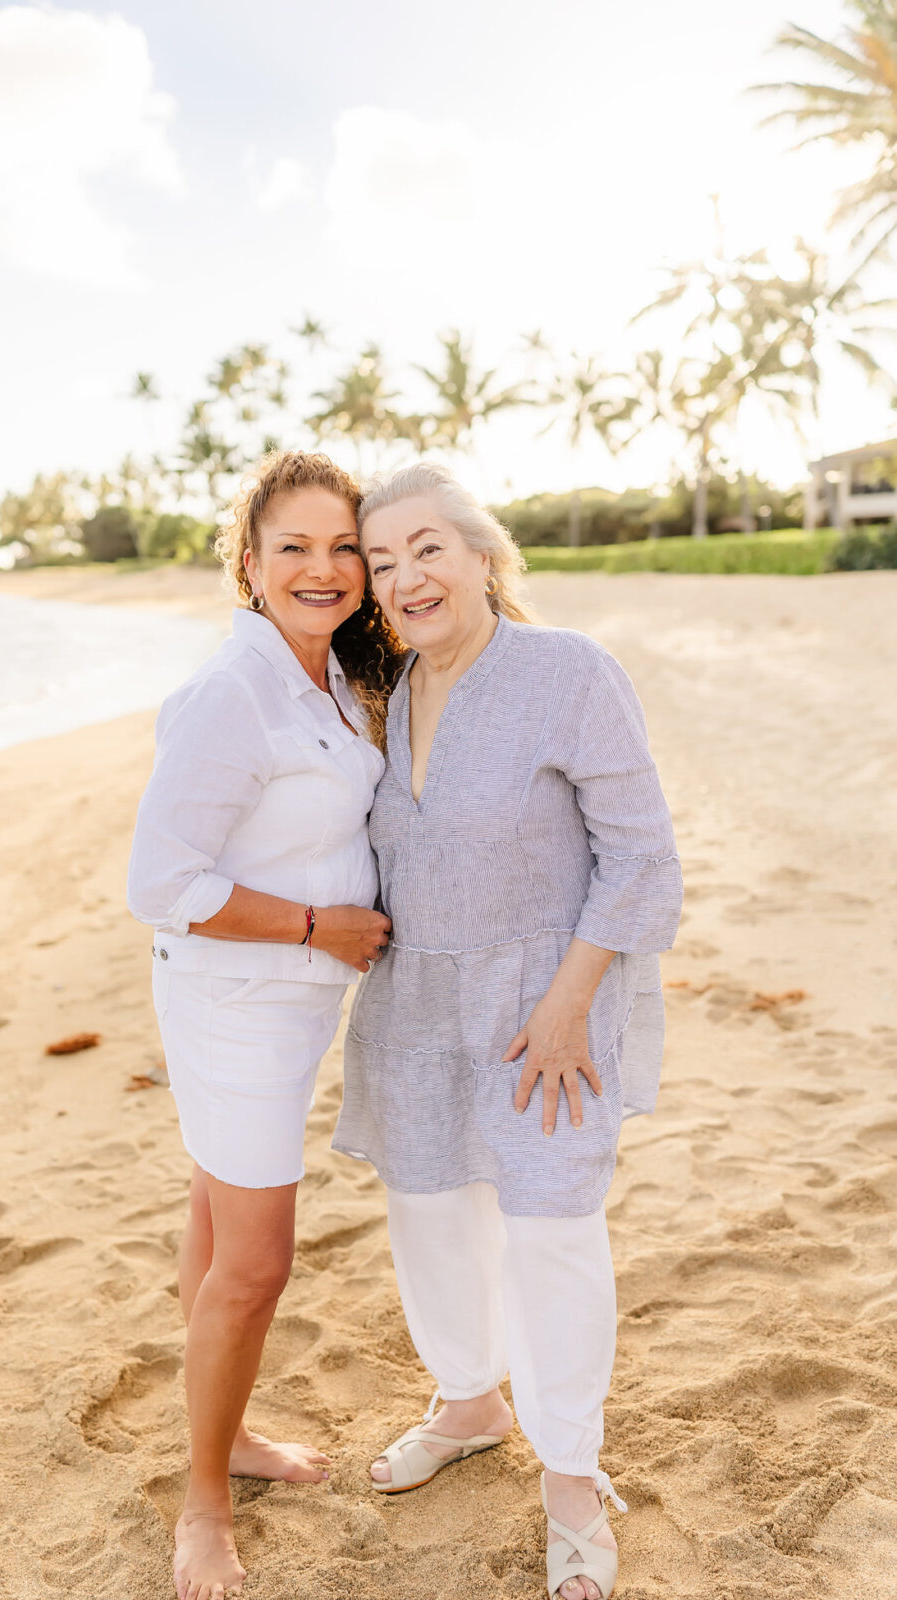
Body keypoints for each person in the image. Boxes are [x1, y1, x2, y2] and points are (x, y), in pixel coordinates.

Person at [333, 462, 682, 1600]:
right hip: (413, 1005)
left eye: (427, 547)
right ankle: (469, 1399)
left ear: (485, 555)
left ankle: (572, 1477)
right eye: (381, 563)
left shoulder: (566, 672)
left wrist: (569, 1002)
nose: (405, 578)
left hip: (548, 1007)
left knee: (549, 1234)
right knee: (429, 1216)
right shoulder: (383, 689)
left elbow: (640, 855)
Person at [127, 450, 402, 1600]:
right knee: (255, 1265)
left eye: (343, 545)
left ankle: (225, 1438)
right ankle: (202, 1502)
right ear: (247, 566)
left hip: (283, 1005)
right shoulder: (234, 691)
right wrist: (315, 926)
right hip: (238, 1003)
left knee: (209, 1209)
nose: (323, 567)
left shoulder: (330, 675)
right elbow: (161, 879)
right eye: (292, 546)